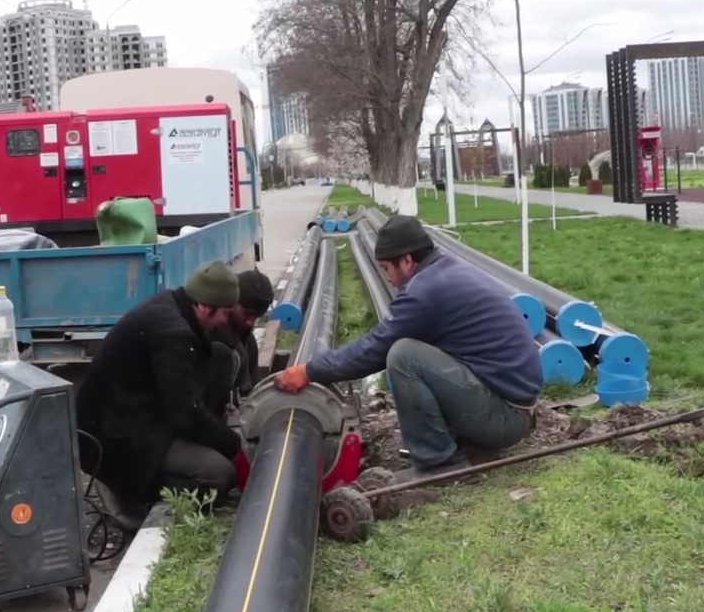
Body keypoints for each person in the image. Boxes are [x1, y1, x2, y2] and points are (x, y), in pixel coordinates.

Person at [272, 214, 543, 472]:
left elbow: (372, 350)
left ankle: (437, 457)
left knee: (403, 355)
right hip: (515, 406)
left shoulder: (425, 292)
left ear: (407, 261)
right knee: (415, 348)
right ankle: (454, 438)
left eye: (387, 268)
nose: (388, 276)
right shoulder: (446, 272)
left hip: (507, 417)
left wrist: (309, 371)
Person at [75, 260, 251, 530]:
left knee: (220, 357)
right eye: (225, 314)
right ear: (204, 306)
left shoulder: (177, 304)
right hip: (116, 435)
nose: (224, 321)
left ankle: (185, 454)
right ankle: (122, 492)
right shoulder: (173, 332)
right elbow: (185, 411)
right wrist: (232, 447)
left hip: (142, 405)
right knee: (219, 474)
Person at [209, 269, 275, 402]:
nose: (250, 323)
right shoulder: (207, 339)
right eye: (247, 314)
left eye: (256, 317)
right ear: (231, 302)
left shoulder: (248, 344)